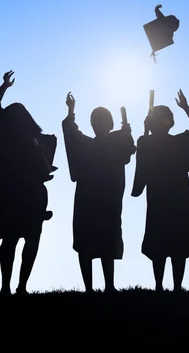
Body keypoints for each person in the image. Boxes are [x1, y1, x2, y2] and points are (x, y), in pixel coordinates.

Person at [0, 71, 56, 295]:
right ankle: (14, 286)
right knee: (21, 238)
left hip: (13, 188)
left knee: (16, 239)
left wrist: (4, 87)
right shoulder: (6, 128)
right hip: (19, 188)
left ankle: (12, 287)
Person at [132, 89, 189, 292]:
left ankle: (166, 286)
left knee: (167, 242)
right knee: (173, 242)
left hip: (165, 197)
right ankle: (171, 286)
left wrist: (186, 108)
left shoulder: (146, 141)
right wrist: (187, 109)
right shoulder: (173, 142)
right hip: (174, 197)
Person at [62, 93, 136, 293]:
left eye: (101, 120)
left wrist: (126, 135)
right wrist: (71, 110)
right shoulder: (87, 144)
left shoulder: (116, 142)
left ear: (110, 124)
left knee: (107, 239)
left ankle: (109, 285)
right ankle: (88, 288)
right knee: (86, 240)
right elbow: (70, 131)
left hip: (108, 199)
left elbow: (129, 150)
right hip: (87, 198)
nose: (97, 123)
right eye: (94, 120)